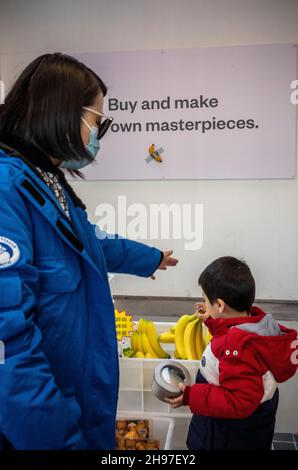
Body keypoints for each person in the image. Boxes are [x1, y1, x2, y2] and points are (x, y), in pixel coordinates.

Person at [0, 53, 178, 450]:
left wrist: (148, 258)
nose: (99, 133)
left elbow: (86, 244)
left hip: (79, 406)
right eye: (98, 121)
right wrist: (61, 440)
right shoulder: (6, 189)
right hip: (45, 425)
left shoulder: (47, 181)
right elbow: (8, 348)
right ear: (63, 113)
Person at [166, 256, 297, 450]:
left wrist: (192, 396)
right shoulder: (255, 323)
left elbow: (239, 401)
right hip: (251, 428)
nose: (203, 302)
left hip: (225, 434)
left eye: (205, 298)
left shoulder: (237, 348)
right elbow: (231, 334)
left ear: (220, 305)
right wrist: (212, 319)